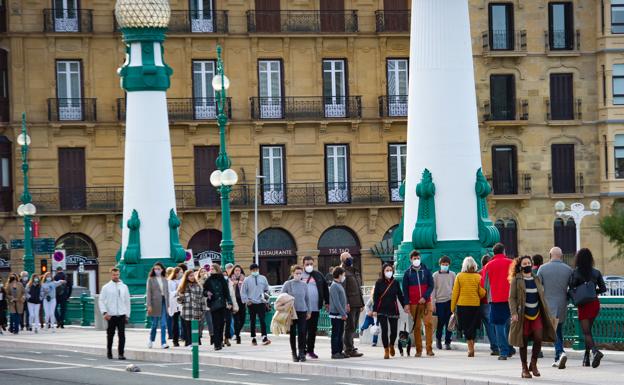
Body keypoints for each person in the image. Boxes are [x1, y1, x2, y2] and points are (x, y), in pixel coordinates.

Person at [509, 256, 556, 379]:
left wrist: (548, 311)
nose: (527, 265)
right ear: (520, 266)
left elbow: (541, 295)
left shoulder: (536, 278)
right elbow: (511, 298)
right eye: (524, 263)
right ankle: (524, 368)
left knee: (538, 338)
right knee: (523, 341)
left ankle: (533, 364)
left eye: (529, 263)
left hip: (536, 313)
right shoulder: (516, 279)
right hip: (522, 314)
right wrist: (514, 313)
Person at [568, 248, 607, 368]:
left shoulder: (575, 272)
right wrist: (592, 291)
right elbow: (603, 289)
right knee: (588, 332)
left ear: (578, 259)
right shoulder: (596, 272)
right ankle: (586, 357)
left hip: (583, 305)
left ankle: (595, 352)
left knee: (586, 332)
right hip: (594, 303)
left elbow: (571, 288)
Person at [537, 247, 573, 369]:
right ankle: (558, 356)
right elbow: (571, 288)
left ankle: (560, 353)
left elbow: (538, 287)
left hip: (548, 305)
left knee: (554, 331)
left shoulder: (542, 268)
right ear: (561, 256)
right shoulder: (568, 270)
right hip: (562, 304)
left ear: (550, 254)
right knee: (558, 330)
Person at [480, 243, 514, 360]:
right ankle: (510, 348)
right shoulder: (511, 263)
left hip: (495, 299)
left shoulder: (488, 265)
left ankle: (503, 352)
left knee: (499, 325)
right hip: (511, 298)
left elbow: (484, 285)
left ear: (493, 253)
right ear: (504, 251)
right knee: (510, 323)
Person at [451, 256, 486, 357]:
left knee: (466, 327)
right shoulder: (478, 277)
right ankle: (472, 347)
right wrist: (485, 290)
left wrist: (452, 307)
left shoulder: (459, 276)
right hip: (475, 305)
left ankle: (470, 348)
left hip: (462, 305)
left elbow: (455, 293)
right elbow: (482, 293)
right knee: (473, 327)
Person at [402, 250, 435, 357]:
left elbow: (431, 286)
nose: (416, 260)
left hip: (426, 302)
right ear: (411, 260)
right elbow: (405, 290)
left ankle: (429, 349)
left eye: (418, 258)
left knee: (428, 324)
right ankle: (419, 350)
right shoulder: (407, 273)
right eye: (414, 258)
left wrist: (425, 297)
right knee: (417, 327)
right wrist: (406, 304)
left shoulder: (426, 271)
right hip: (413, 303)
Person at [373, 263, 405, 359]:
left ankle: (391, 345)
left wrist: (405, 306)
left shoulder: (395, 282)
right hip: (382, 309)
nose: (389, 272)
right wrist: (375, 310)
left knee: (394, 331)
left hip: (393, 309)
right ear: (383, 272)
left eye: (390, 270)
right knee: (385, 330)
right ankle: (386, 349)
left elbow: (400, 295)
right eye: (387, 270)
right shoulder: (379, 283)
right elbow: (376, 297)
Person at [99, 267, 131, 360]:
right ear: (111, 275)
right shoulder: (106, 287)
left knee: (122, 335)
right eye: (114, 274)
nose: (116, 276)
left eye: (117, 274)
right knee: (110, 335)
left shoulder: (124, 287)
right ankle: (109, 352)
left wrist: (127, 314)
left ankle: (121, 353)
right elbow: (101, 300)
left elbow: (127, 301)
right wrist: (104, 312)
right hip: (111, 315)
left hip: (121, 314)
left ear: (119, 274)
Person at [301, 256, 329, 359]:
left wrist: (327, 302)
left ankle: (311, 350)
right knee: (303, 330)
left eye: (311, 264)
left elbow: (325, 289)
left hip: (315, 308)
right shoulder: (299, 275)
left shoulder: (318, 275)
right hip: (302, 308)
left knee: (312, 330)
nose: (309, 266)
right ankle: (302, 350)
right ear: (303, 264)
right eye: (307, 264)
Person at [282, 265, 311, 362]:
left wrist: (309, 311)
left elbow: (307, 298)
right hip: (291, 312)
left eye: (300, 273)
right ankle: (294, 353)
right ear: (292, 273)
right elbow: (282, 297)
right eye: (296, 273)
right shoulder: (288, 284)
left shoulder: (304, 285)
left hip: (302, 310)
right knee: (293, 333)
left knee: (302, 332)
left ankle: (302, 352)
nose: (298, 275)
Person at [340, 252, 364, 357]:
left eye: (350, 257)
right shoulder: (342, 272)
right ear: (342, 260)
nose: (350, 259)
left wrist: (362, 303)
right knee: (350, 326)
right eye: (347, 258)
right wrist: (346, 304)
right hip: (350, 304)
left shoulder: (354, 271)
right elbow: (343, 290)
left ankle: (351, 347)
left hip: (357, 303)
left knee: (354, 327)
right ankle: (348, 349)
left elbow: (358, 289)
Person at [203, 264, 233, 351]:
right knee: (216, 324)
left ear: (217, 269)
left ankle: (220, 341)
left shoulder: (222, 279)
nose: (211, 270)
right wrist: (207, 293)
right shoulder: (208, 280)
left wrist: (229, 302)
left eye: (213, 269)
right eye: (211, 269)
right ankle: (216, 344)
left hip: (222, 304)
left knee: (221, 323)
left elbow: (226, 292)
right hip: (213, 304)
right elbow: (204, 291)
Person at [241, 263, 271, 346]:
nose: (255, 271)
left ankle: (264, 337)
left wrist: (266, 299)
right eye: (254, 270)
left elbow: (267, 289)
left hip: (261, 302)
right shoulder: (246, 280)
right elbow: (243, 292)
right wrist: (247, 301)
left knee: (262, 320)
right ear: (251, 271)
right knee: (252, 321)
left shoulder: (263, 278)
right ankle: (253, 338)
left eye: (257, 270)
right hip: (251, 303)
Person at [432, 255, 456, 350]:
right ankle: (438, 339)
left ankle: (447, 342)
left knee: (449, 323)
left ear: (449, 265)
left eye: (446, 264)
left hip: (450, 301)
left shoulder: (453, 274)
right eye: (443, 264)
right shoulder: (435, 275)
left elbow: (455, 288)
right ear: (440, 264)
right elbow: (433, 289)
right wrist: (433, 302)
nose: (444, 266)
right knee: (440, 322)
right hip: (439, 302)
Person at [178, 270, 206, 346]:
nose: (192, 277)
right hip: (186, 311)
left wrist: (203, 309)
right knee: (187, 328)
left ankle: (196, 343)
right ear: (186, 277)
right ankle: (189, 343)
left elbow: (202, 298)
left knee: (196, 328)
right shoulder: (183, 287)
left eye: (193, 275)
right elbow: (179, 301)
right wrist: (181, 297)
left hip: (196, 311)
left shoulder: (198, 286)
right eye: (190, 276)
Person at [146, 262, 170, 349]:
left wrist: (168, 305)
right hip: (154, 303)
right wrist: (149, 305)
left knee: (163, 324)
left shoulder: (165, 279)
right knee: (155, 324)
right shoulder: (150, 279)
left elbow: (167, 292)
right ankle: (151, 339)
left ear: (162, 270)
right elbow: (148, 293)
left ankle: (163, 342)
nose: (157, 270)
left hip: (164, 302)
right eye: (155, 269)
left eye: (158, 269)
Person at [479, 254, 498, 355]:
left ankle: (495, 347)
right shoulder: (493, 272)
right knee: (497, 324)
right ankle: (501, 344)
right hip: (494, 300)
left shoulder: (480, 273)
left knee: (489, 325)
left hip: (483, 302)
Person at [329, 267, 348, 359]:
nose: (344, 276)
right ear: (339, 275)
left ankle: (340, 351)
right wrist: (343, 313)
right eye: (343, 274)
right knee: (336, 334)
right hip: (336, 314)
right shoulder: (334, 286)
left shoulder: (339, 284)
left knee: (340, 333)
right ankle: (335, 352)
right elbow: (336, 302)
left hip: (341, 314)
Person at [229, 265, 246, 344]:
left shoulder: (244, 279)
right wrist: (233, 283)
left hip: (242, 301)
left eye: (239, 270)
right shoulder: (230, 280)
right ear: (233, 271)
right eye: (236, 270)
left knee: (242, 319)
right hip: (234, 301)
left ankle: (237, 333)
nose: (237, 272)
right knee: (236, 320)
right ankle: (237, 336)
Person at [167, 267, 183, 347]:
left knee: (184, 322)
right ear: (176, 273)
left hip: (182, 303)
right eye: (180, 272)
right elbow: (168, 293)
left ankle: (186, 339)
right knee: (175, 322)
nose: (181, 274)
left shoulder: (182, 281)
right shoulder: (169, 282)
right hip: (174, 303)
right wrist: (176, 292)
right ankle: (175, 340)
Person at [223, 266, 239, 347]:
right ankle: (220, 339)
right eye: (223, 274)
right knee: (221, 323)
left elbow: (232, 295)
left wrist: (235, 306)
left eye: (226, 274)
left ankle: (226, 338)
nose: (225, 276)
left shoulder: (229, 282)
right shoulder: (218, 282)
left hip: (229, 306)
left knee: (228, 322)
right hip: (221, 306)